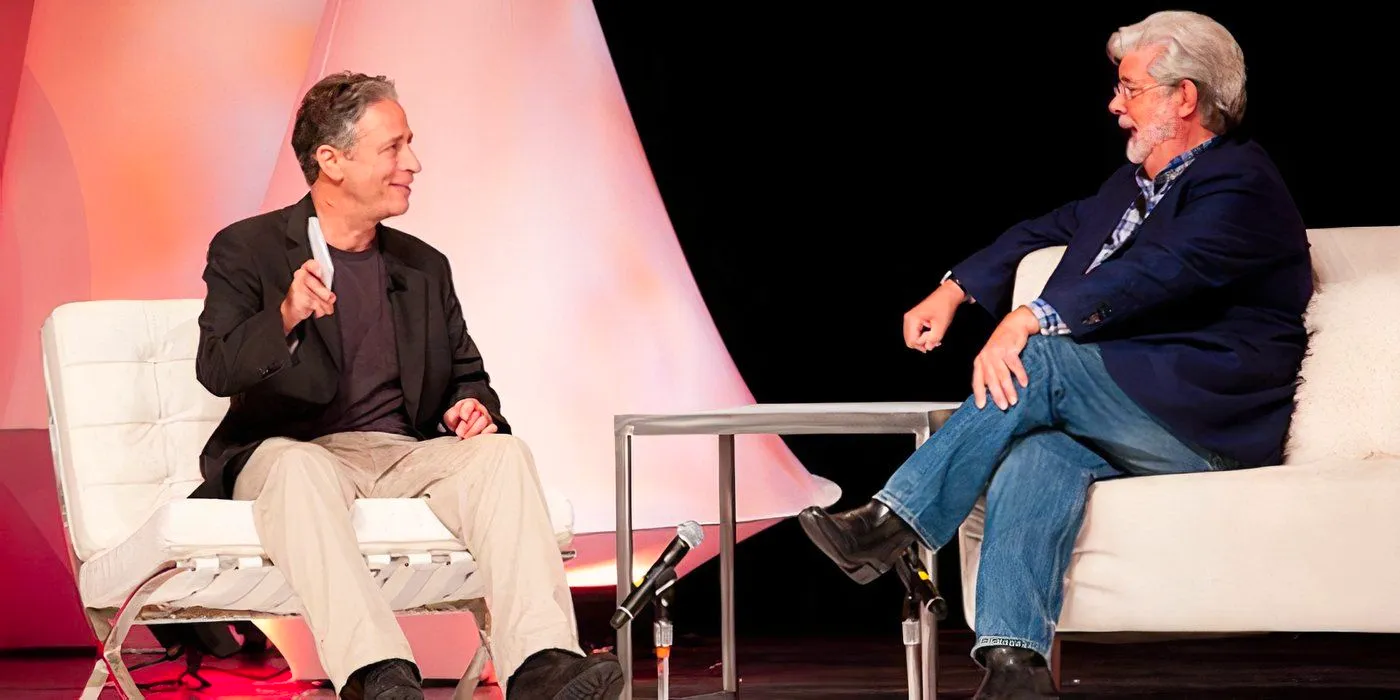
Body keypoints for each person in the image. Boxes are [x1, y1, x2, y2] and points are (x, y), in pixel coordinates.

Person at [798, 11, 1311, 699]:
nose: (1114, 105)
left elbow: (1158, 270)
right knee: (1036, 452)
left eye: (1129, 89)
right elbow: (1042, 230)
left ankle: (896, 524)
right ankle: (1016, 668)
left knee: (1036, 363)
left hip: (1207, 422)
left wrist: (1028, 318)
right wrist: (953, 290)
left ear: (1183, 97)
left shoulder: (1240, 184)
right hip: (1133, 412)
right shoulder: (1129, 190)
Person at [192, 71, 623, 700]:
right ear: (331, 161)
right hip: (292, 452)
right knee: (297, 470)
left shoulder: (424, 265)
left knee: (502, 454)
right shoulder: (248, 248)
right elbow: (216, 366)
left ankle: (540, 664)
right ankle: (375, 673)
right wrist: (283, 315)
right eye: (394, 147)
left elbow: (468, 375)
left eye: (408, 144)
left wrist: (471, 408)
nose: (412, 163)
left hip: (402, 454)